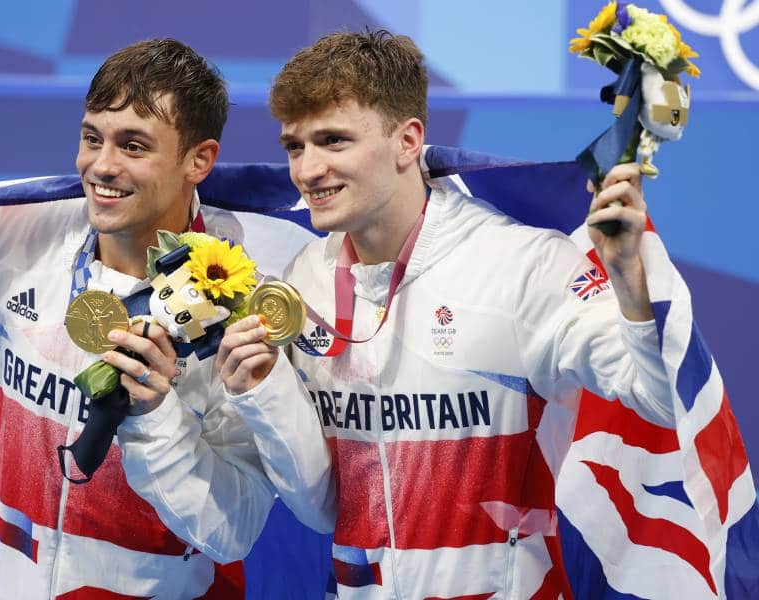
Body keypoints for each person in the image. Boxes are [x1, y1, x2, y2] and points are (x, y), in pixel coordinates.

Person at [214, 30, 674, 598]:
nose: (307, 170)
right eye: (294, 146)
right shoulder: (303, 278)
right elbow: (324, 507)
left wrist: (632, 290)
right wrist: (262, 393)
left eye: (333, 141)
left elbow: (659, 399)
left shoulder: (521, 266)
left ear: (408, 141)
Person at [0, 38, 275, 599]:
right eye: (92, 138)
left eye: (133, 146)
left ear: (198, 160)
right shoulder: (21, 233)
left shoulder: (237, 311)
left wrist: (156, 418)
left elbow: (232, 529)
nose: (101, 166)